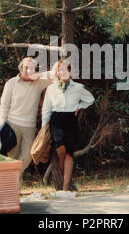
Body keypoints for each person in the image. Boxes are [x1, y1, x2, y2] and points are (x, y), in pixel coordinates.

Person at [41, 59, 95, 191]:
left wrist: (79, 106)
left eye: (66, 69)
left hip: (71, 120)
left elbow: (90, 99)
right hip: (56, 121)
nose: (63, 72)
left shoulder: (78, 88)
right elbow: (46, 108)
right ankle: (62, 174)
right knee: (60, 150)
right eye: (60, 70)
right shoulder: (51, 88)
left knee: (69, 153)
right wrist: (43, 127)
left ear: (70, 71)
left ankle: (65, 187)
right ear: (57, 72)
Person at [0, 57, 55, 179]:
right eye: (26, 67)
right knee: (12, 157)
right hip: (12, 125)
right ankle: (14, 190)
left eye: (32, 68)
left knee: (28, 157)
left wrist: (41, 75)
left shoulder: (38, 83)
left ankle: (11, 178)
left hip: (29, 127)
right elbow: (3, 107)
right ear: (21, 68)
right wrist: (2, 126)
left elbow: (56, 75)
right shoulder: (11, 83)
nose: (28, 70)